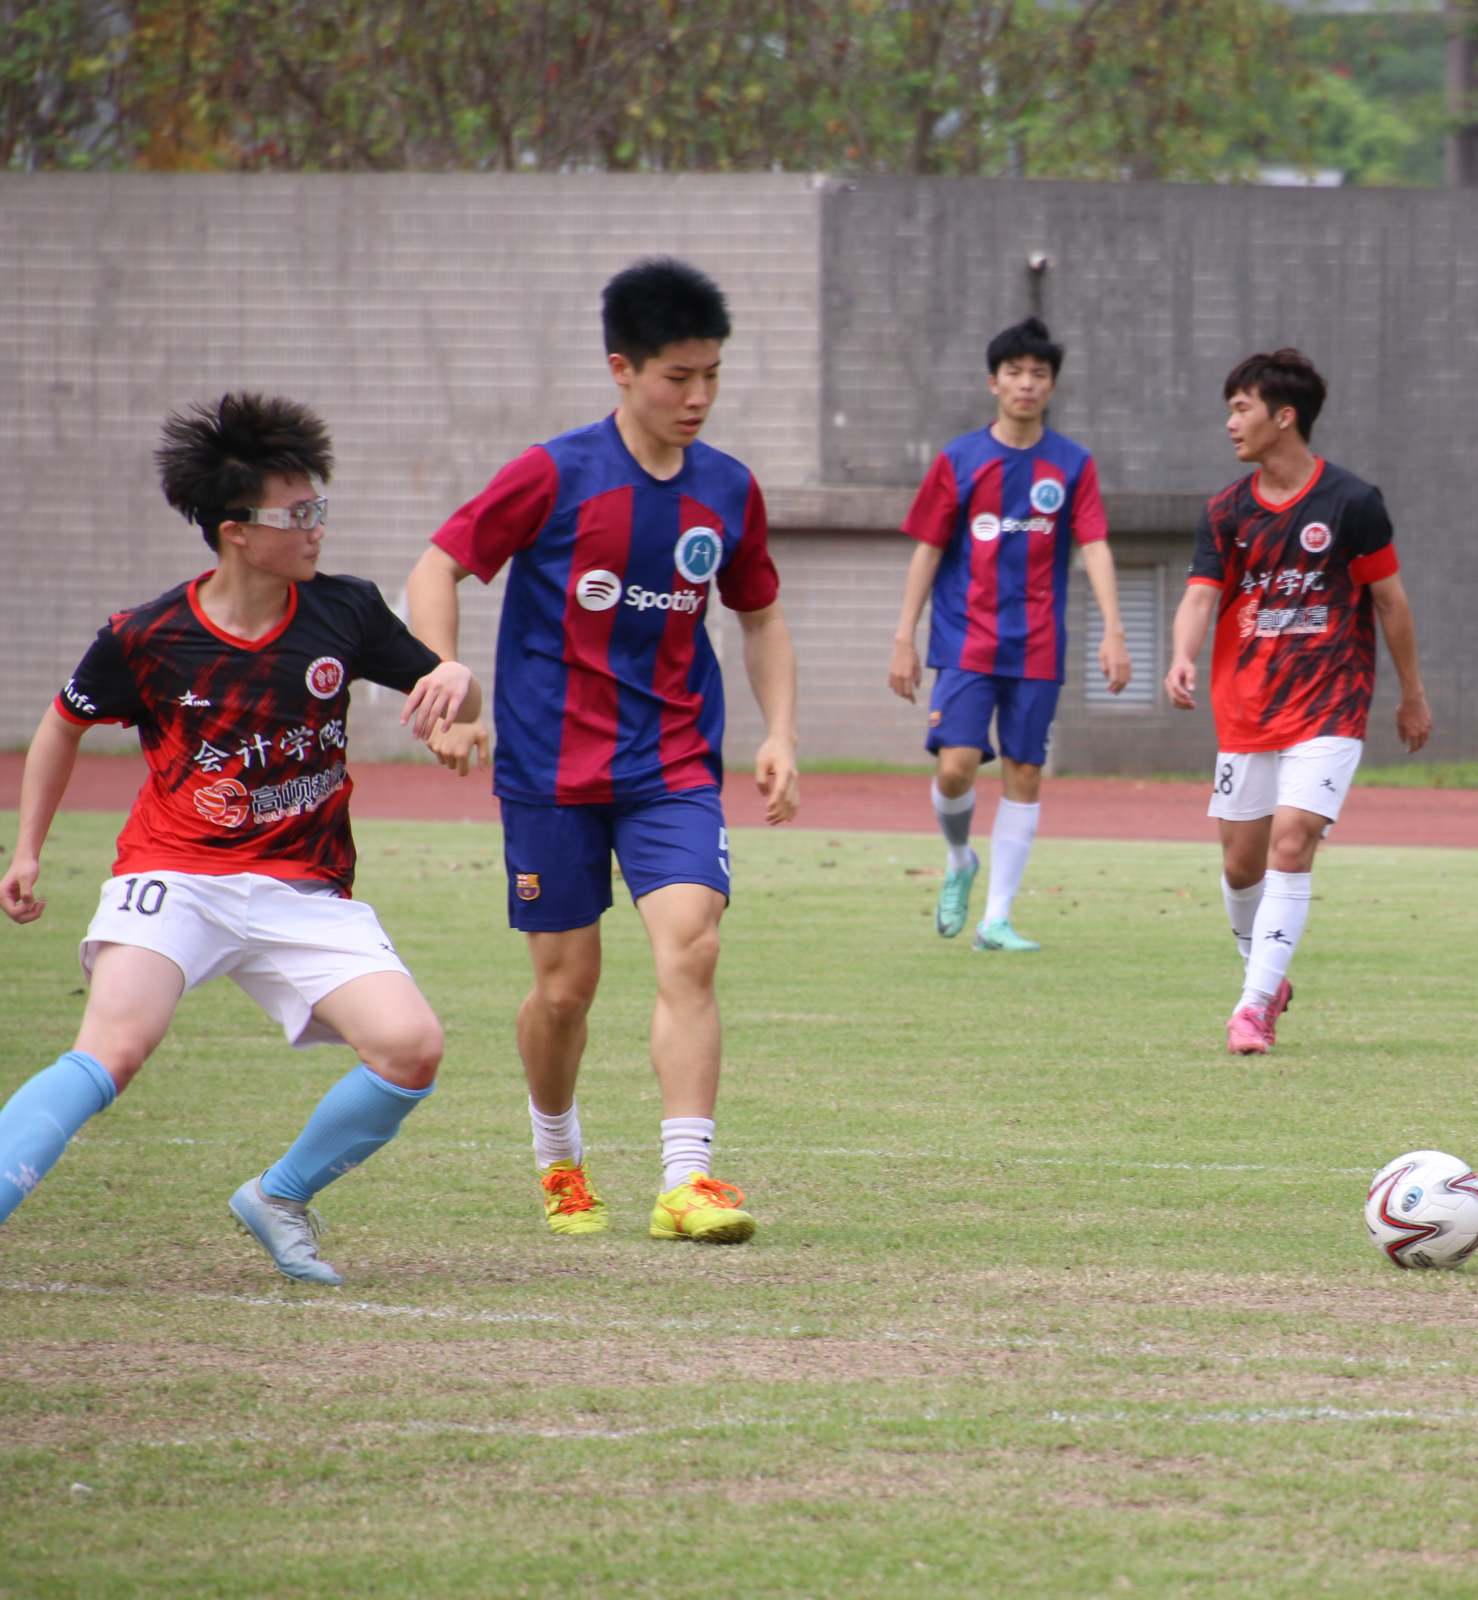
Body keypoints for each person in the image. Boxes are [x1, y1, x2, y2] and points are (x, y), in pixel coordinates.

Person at [0, 393, 481, 1285]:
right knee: (113, 1047)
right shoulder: (147, 636)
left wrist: (457, 680)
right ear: (236, 532)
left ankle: (279, 1196)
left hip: (303, 887)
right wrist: (28, 849)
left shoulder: (346, 611)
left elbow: (446, 682)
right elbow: (62, 725)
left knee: (412, 1049)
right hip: (176, 875)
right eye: (296, 514)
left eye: (319, 506)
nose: (316, 527)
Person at [406, 257, 799, 1245]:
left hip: (673, 765)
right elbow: (438, 566)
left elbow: (759, 615)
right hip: (551, 770)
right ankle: (559, 1156)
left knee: (693, 946)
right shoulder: (554, 474)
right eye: (678, 377)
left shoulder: (728, 490)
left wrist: (781, 731)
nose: (698, 397)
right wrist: (446, 683)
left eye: (712, 375)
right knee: (564, 988)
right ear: (622, 369)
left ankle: (687, 1180)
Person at [1164, 348, 1433, 1055]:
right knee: (1240, 866)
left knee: (1292, 840)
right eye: (1230, 410)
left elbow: (1390, 602)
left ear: (1284, 417)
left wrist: (1412, 694)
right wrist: (1182, 655)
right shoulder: (1226, 510)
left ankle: (1251, 1008)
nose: (1231, 423)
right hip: (1245, 708)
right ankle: (1266, 976)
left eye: (1241, 408)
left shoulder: (1352, 503)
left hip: (1330, 705)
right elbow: (1201, 595)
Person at [888, 317, 1131, 951]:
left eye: (1038, 374)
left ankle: (995, 920)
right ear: (992, 382)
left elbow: (1095, 545)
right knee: (956, 768)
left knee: (1025, 771)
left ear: (1052, 385)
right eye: (1015, 373)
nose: (1026, 384)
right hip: (965, 639)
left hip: (1038, 643)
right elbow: (927, 550)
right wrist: (904, 637)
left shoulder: (1072, 464)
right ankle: (960, 858)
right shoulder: (959, 459)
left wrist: (1114, 630)